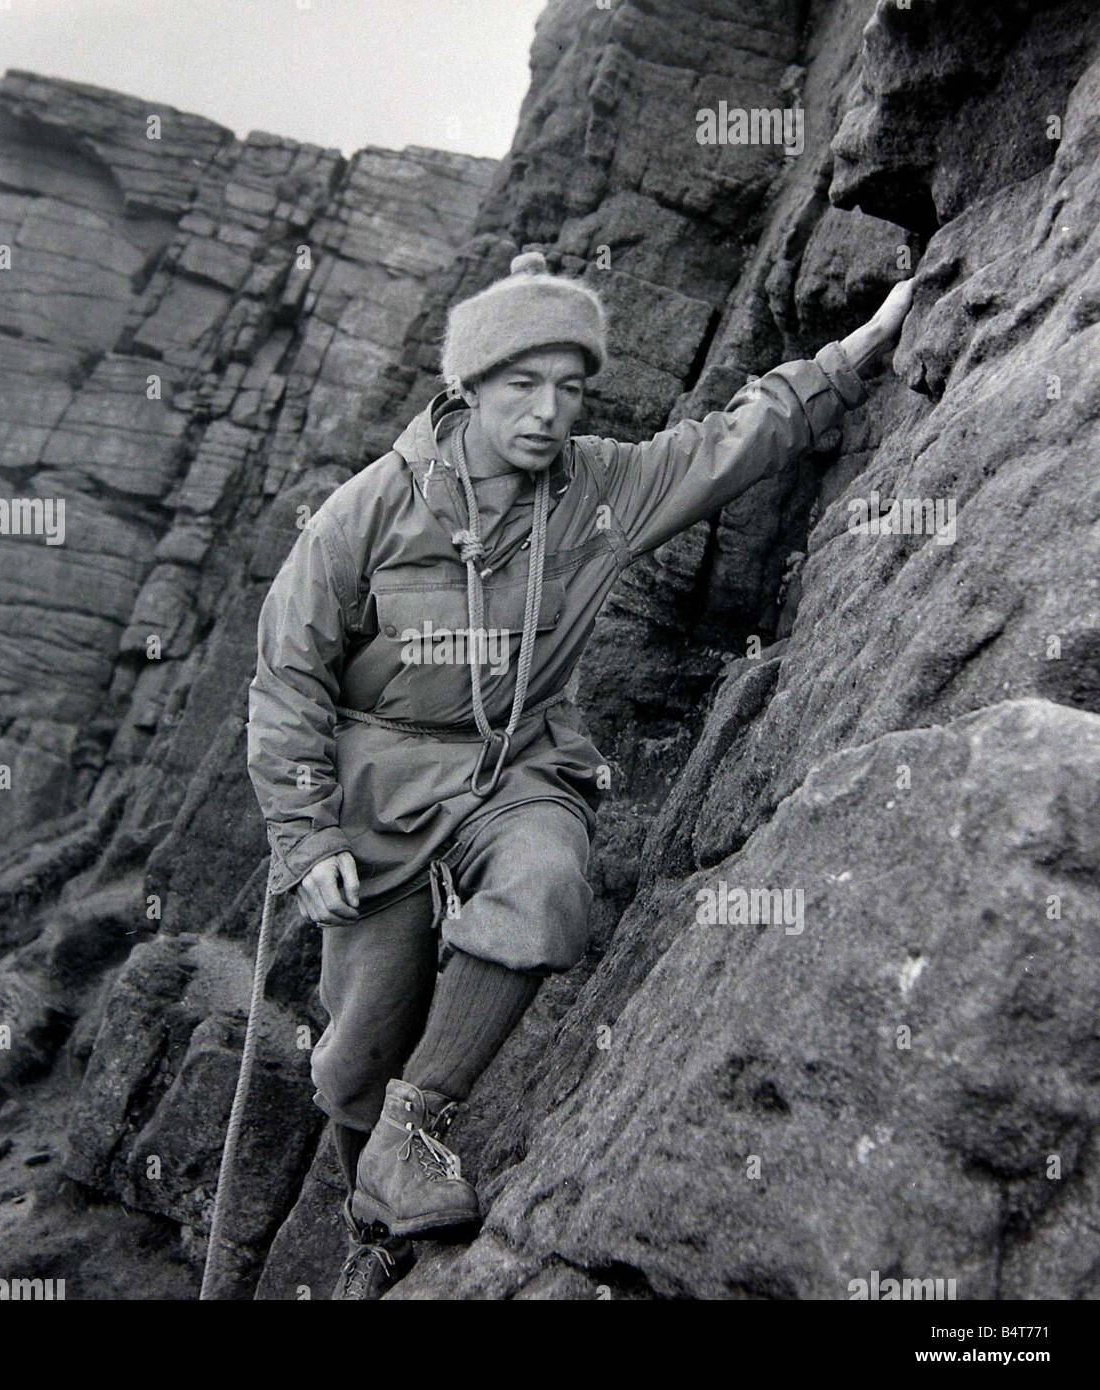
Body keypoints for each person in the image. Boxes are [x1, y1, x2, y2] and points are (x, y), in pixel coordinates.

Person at [246, 250, 914, 1298]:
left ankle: (413, 1137)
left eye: (570, 387)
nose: (549, 411)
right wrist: (307, 835)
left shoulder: (598, 488)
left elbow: (726, 446)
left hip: (519, 763)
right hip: (373, 779)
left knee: (548, 879)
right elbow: (286, 676)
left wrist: (848, 358)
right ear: (466, 388)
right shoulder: (362, 514)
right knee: (353, 1053)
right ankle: (370, 1216)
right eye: (523, 384)